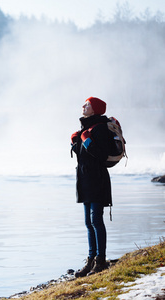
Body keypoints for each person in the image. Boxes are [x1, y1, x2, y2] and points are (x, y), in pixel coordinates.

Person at [71, 97, 113, 277]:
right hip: (85, 180)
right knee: (88, 223)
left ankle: (100, 261)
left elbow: (101, 155)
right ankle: (91, 260)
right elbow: (84, 156)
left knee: (96, 220)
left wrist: (86, 140)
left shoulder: (101, 128)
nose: (83, 106)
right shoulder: (86, 128)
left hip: (96, 179)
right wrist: (75, 143)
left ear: (95, 109)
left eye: (87, 104)